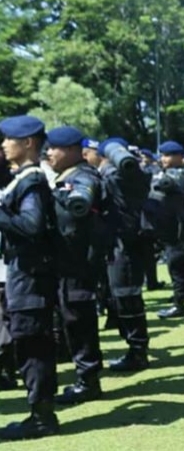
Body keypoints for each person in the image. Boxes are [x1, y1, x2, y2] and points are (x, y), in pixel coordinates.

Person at [0, 115, 59, 440]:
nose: (4, 145)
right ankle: (39, 412)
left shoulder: (32, 181)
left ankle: (42, 417)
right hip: (25, 275)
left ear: (28, 144)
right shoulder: (22, 179)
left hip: (31, 278)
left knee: (33, 344)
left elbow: (31, 226)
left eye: (9, 139)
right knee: (29, 343)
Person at [45, 127, 107, 404]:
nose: (49, 153)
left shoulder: (81, 178)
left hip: (78, 262)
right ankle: (86, 375)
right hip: (70, 261)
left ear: (71, 150)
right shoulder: (67, 176)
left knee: (79, 319)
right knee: (73, 317)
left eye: (54, 148)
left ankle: (88, 380)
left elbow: (78, 209)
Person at [98, 138, 154, 373]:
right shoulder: (134, 174)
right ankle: (135, 348)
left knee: (127, 296)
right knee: (123, 296)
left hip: (124, 244)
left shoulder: (120, 175)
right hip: (126, 242)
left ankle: (137, 351)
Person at [151, 140, 184, 318]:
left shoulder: (181, 175)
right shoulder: (171, 173)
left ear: (180, 156)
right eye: (162, 155)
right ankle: (183, 294)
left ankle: (179, 303)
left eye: (168, 155)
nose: (163, 159)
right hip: (171, 225)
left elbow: (164, 186)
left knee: (176, 263)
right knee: (178, 263)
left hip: (179, 226)